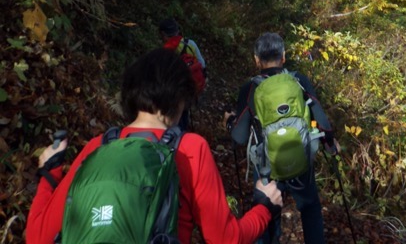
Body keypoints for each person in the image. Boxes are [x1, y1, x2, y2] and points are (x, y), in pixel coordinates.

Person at [26, 48, 282, 244]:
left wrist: (50, 173)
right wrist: (263, 206)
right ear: (181, 98)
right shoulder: (190, 148)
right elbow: (225, 238)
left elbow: (37, 237)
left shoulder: (97, 147)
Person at [224, 32, 336, 244]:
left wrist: (229, 122)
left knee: (265, 213)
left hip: (267, 168)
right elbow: (320, 117)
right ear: (283, 56)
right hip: (300, 160)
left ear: (256, 60)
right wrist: (329, 141)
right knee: (310, 208)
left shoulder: (250, 88)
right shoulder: (299, 80)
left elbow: (239, 137)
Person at [159, 18, 207, 130]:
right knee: (184, 112)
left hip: (173, 88)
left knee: (174, 115)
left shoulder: (165, 50)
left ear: (163, 34)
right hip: (191, 86)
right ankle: (182, 137)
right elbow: (202, 64)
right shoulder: (190, 44)